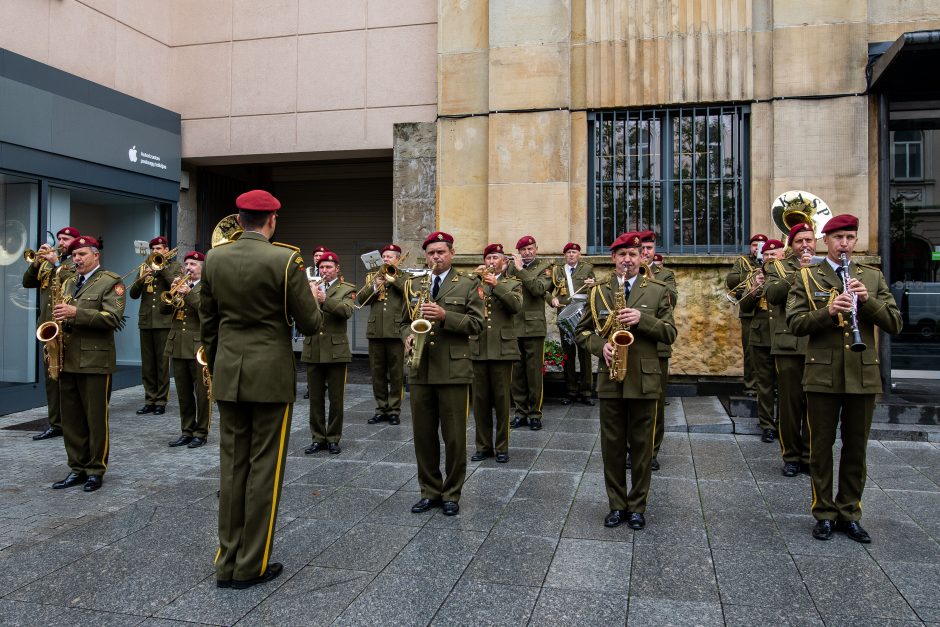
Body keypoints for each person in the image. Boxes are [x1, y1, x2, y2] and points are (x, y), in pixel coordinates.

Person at [200, 189, 322, 589]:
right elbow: (310, 323)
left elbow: (209, 323)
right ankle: (251, 565)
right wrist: (314, 301)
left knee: (232, 469)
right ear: (272, 220)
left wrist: (218, 368)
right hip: (269, 376)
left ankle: (226, 561)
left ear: (239, 219)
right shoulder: (286, 259)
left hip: (229, 373)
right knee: (264, 470)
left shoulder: (214, 258)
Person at [787, 213, 902, 544]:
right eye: (838, 238)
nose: (845, 244)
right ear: (826, 241)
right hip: (822, 374)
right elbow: (795, 324)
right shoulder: (808, 277)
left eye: (850, 237)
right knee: (820, 448)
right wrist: (828, 311)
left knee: (856, 448)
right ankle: (823, 512)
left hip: (862, 374)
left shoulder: (872, 277)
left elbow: (894, 323)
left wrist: (868, 302)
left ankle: (849, 512)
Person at [576, 232, 676, 530]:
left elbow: (670, 333)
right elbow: (581, 333)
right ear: (613, 259)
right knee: (612, 447)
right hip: (610, 379)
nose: (628, 260)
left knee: (643, 449)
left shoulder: (658, 291)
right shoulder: (599, 292)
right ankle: (616, 505)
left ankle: (637, 506)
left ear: (641, 257)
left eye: (633, 255)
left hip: (645, 381)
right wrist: (600, 346)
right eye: (622, 255)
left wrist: (642, 320)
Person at [403, 231, 483, 516]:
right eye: (431, 253)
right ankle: (429, 491)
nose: (436, 257)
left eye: (441, 252)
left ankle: (451, 493)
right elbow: (403, 321)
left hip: (453, 370)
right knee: (423, 436)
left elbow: (477, 324)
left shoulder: (468, 284)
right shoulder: (413, 284)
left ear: (451, 253)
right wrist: (407, 336)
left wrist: (445, 316)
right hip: (420, 368)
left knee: (454, 437)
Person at [50, 236, 126, 493]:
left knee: (95, 418)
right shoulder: (70, 281)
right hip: (67, 358)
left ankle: (95, 469)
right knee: (71, 420)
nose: (77, 259)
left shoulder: (111, 282)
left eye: (82, 254)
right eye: (74, 255)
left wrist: (76, 314)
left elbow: (112, 318)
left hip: (95, 361)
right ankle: (77, 468)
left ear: (96, 255)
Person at [764, 223, 815, 476]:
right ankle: (792, 456)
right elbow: (772, 294)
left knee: (815, 405)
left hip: (818, 344)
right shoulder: (779, 267)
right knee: (790, 405)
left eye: (809, 240)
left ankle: (810, 454)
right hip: (789, 344)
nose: (805, 245)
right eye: (799, 241)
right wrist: (799, 274)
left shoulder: (824, 267)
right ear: (791, 245)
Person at [23, 226, 79, 441]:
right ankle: (55, 423)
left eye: (65, 239)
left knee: (67, 379)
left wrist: (56, 262)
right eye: (59, 238)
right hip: (47, 327)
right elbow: (28, 282)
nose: (61, 242)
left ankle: (72, 422)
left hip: (66, 327)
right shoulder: (49, 262)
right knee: (51, 378)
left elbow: (73, 282)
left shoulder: (75, 262)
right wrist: (37, 263)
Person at [470, 244, 523, 464]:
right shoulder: (473, 282)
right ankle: (483, 446)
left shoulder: (513, 283)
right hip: (478, 348)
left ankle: (502, 447)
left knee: (502, 402)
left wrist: (497, 285)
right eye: (489, 257)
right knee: (480, 402)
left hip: (503, 350)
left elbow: (515, 307)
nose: (492, 261)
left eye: (496, 257)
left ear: (504, 261)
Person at [302, 251, 355, 455]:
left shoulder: (347, 288)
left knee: (336, 398)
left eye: (329, 267)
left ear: (337, 269)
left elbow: (347, 312)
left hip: (336, 350)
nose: (325, 271)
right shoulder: (309, 287)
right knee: (315, 398)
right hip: (313, 347)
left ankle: (333, 437)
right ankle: (317, 438)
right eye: (322, 267)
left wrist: (325, 300)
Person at [162, 251, 210, 449]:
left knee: (202, 392)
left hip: (198, 347)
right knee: (183, 392)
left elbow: (205, 311)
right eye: (187, 264)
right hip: (178, 345)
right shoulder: (179, 285)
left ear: (203, 268)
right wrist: (172, 294)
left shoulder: (208, 288)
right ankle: (187, 430)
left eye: (194, 264)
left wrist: (188, 293)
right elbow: (163, 311)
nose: (189, 268)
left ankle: (201, 432)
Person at [638, 230, 678, 468]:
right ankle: (632, 449)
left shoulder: (667, 274)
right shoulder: (625, 272)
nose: (645, 252)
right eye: (642, 248)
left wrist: (651, 276)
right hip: (631, 346)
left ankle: (651, 451)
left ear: (655, 250)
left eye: (649, 248)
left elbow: (672, 300)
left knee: (655, 401)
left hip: (658, 347)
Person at [739, 239, 785, 443]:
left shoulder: (791, 275)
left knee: (785, 385)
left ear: (783, 255)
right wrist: (756, 288)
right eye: (766, 255)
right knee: (764, 385)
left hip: (784, 335)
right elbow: (745, 306)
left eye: (774, 254)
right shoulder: (754, 276)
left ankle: (785, 424)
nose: (770, 258)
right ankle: (766, 425)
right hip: (760, 335)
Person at [358, 244, 409, 426]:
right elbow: (360, 300)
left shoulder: (405, 277)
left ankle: (394, 410)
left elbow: (411, 295)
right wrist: (375, 285)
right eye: (384, 256)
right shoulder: (373, 276)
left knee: (396, 375)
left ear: (398, 259)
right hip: (376, 332)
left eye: (390, 256)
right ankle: (381, 409)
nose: (386, 259)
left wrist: (394, 279)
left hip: (396, 333)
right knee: (377, 374)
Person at [506, 235, 553, 431]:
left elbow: (537, 288)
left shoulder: (546, 267)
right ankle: (520, 412)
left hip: (534, 328)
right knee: (516, 374)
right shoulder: (510, 267)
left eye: (531, 248)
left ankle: (535, 414)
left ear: (536, 249)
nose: (527, 252)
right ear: (519, 251)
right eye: (524, 250)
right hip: (514, 325)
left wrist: (520, 270)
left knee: (533, 374)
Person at [129, 236, 180, 416]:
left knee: (162, 364)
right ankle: (149, 399)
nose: (156, 252)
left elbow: (174, 287)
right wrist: (142, 279)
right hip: (146, 321)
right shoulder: (144, 267)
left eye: (159, 248)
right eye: (153, 249)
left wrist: (162, 268)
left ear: (166, 250)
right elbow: (133, 294)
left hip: (164, 322)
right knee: (148, 364)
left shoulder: (174, 267)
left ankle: (161, 400)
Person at [549, 242, 595, 406]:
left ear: (579, 255)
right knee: (568, 354)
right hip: (564, 315)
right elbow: (547, 290)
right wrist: (551, 299)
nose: (571, 255)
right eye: (568, 252)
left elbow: (594, 290)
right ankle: (570, 391)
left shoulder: (587, 269)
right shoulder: (557, 271)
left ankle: (586, 391)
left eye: (574, 252)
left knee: (585, 354)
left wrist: (593, 285)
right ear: (564, 255)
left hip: (582, 316)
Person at [726, 234, 767, 396]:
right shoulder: (742, 262)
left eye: (761, 245)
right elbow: (731, 280)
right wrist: (754, 274)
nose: (758, 248)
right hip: (749, 313)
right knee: (750, 352)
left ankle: (770, 386)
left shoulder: (774, 262)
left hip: (768, 312)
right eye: (755, 245)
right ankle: (751, 386)